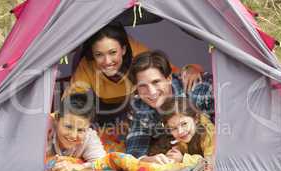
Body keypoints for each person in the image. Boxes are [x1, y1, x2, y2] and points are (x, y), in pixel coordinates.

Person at [64, 23, 201, 153]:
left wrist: (193, 68)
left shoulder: (139, 55)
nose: (107, 61)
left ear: (123, 49)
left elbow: (167, 72)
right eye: (99, 54)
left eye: (112, 52)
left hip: (136, 102)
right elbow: (71, 99)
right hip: (106, 108)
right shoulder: (87, 67)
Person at [126, 50, 214, 163]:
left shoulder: (196, 89)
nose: (151, 92)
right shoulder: (140, 107)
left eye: (156, 82)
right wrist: (147, 160)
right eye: (142, 86)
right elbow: (135, 149)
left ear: (168, 79)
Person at [46, 92, 106, 171]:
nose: (73, 135)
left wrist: (76, 168)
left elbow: (103, 164)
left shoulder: (89, 137)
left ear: (88, 127)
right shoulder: (45, 128)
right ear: (57, 119)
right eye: (68, 127)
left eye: (81, 130)